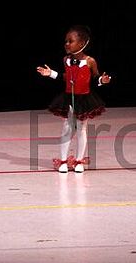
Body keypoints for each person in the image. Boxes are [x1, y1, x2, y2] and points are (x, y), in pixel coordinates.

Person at [36, 24, 111, 173]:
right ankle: (63, 161)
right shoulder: (66, 60)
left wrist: (102, 81)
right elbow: (65, 77)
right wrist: (50, 73)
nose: (67, 44)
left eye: (70, 41)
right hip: (68, 98)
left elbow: (95, 79)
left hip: (84, 99)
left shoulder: (90, 61)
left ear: (82, 44)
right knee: (67, 128)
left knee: (81, 128)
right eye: (66, 41)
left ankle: (78, 161)